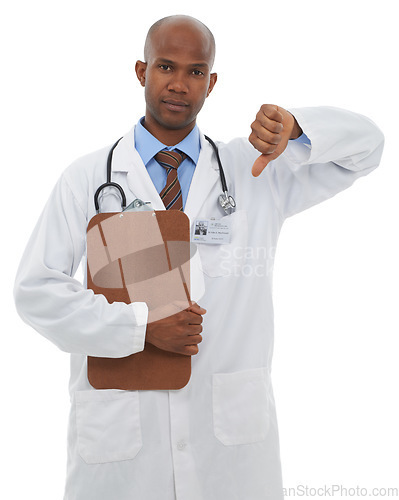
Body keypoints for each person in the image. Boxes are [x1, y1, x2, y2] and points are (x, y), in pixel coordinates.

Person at [14, 14, 384, 500]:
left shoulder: (255, 171)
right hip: (124, 448)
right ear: (141, 71)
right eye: (166, 66)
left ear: (211, 83)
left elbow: (367, 149)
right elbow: (35, 291)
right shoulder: (87, 179)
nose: (179, 84)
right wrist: (139, 329)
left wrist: (297, 130)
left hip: (227, 450)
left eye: (195, 71)